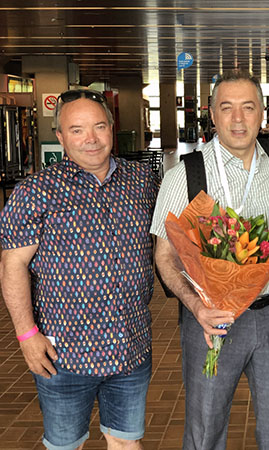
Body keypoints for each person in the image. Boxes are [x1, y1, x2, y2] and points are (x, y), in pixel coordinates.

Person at [151, 69, 269, 450]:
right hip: (210, 319)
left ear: (262, 114)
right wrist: (196, 307)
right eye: (227, 108)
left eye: (248, 108)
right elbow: (165, 256)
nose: (238, 119)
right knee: (205, 432)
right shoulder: (185, 175)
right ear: (212, 115)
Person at [0, 89, 159, 450]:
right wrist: (26, 335)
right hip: (64, 355)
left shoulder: (141, 181)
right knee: (65, 445)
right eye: (77, 130)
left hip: (130, 347)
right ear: (60, 137)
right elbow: (13, 265)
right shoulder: (36, 191)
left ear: (111, 129)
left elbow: (169, 241)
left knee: (126, 442)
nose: (91, 139)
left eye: (99, 126)